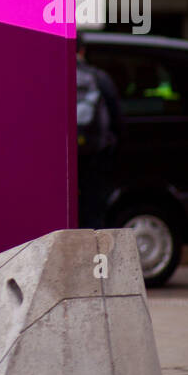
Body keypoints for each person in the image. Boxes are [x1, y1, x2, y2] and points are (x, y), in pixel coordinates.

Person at [76, 36, 124, 230]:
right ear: (82, 51)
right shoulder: (99, 78)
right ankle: (92, 257)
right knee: (93, 210)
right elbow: (118, 121)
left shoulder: (50, 74)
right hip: (95, 155)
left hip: (59, 160)